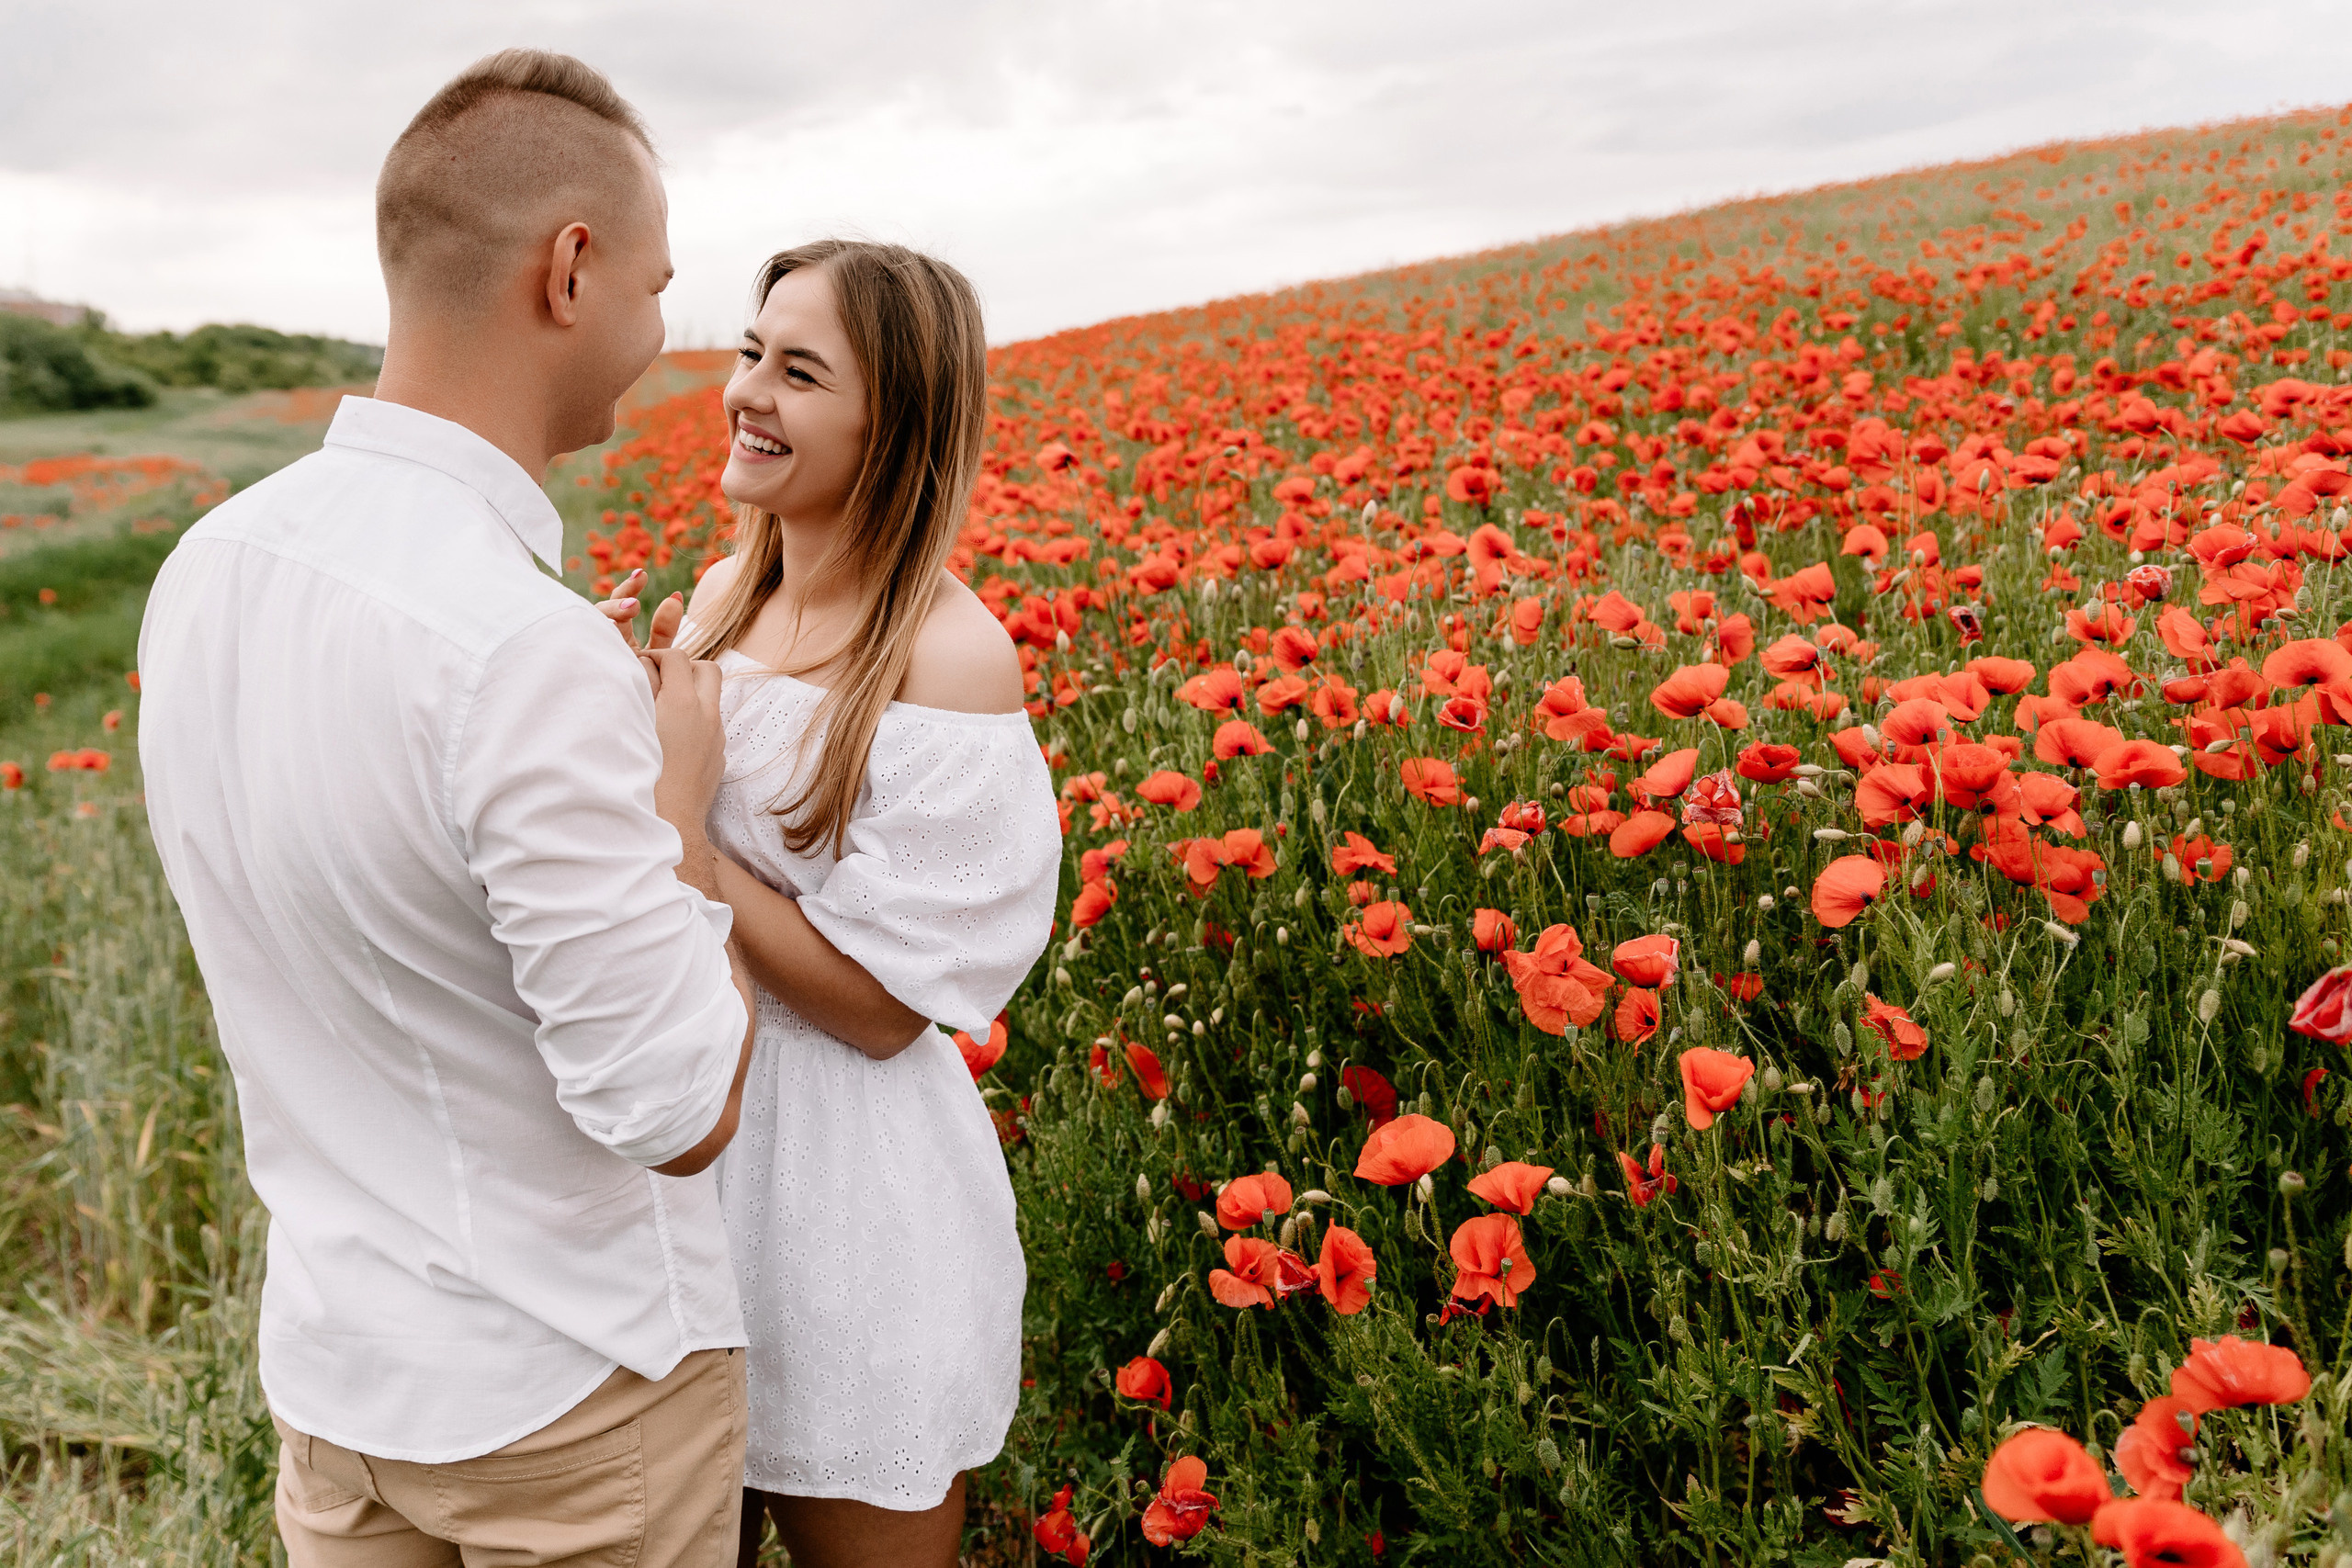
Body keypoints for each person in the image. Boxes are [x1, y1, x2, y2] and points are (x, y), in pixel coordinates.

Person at [137, 50, 759, 1568]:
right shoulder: (517, 646)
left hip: (346, 1389)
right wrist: (675, 808)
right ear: (570, 269)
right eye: (657, 286)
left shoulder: (212, 565)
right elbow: (673, 1111)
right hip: (575, 1402)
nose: (664, 338)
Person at [601, 240, 1057, 1568]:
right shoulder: (733, 593)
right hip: (686, 1158)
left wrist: (681, 817)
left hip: (848, 1201)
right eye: (752, 352)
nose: (747, 391)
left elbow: (875, 1014)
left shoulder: (949, 657)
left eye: (799, 373)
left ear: (895, 422)